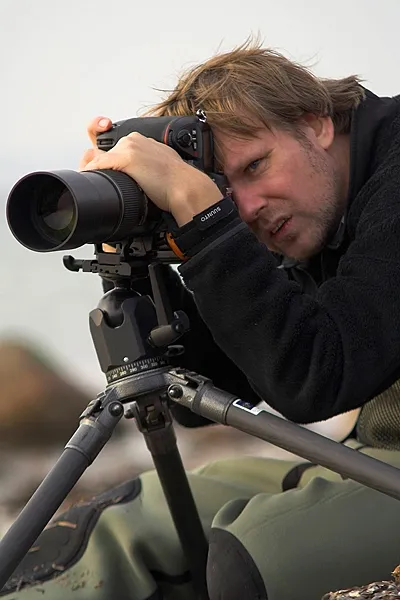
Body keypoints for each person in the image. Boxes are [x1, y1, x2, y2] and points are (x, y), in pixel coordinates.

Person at [5, 39, 400, 600]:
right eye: (224, 190)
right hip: (370, 458)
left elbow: (317, 375)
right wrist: (136, 237)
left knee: (254, 555)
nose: (249, 207)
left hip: (383, 465)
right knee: (95, 538)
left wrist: (208, 220)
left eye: (256, 165)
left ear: (317, 122)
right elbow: (208, 390)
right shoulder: (307, 205)